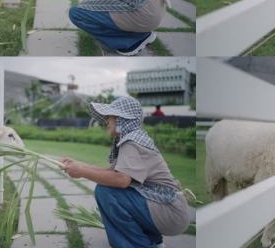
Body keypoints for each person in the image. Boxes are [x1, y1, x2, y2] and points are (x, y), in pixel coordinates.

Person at [60, 96, 190, 247]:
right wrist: (79, 165)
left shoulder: (131, 143)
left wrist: (82, 172)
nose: (107, 122)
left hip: (169, 211)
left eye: (110, 118)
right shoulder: (135, 139)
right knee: (110, 189)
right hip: (168, 209)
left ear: (121, 121)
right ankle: (152, 242)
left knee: (106, 192)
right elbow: (110, 172)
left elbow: (121, 180)